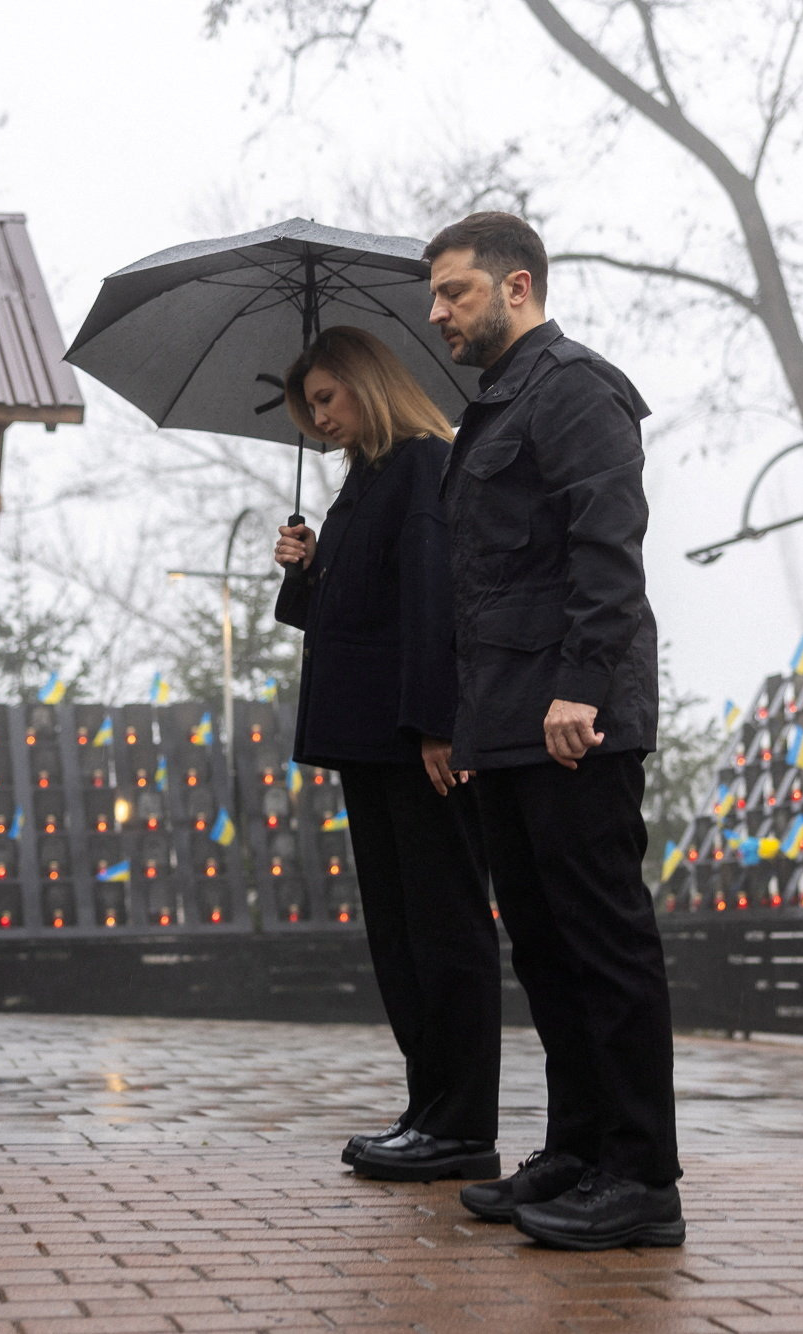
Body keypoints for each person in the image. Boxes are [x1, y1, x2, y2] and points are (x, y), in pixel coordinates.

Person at [423, 212, 684, 1249]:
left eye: (455, 293)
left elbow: (605, 543)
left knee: (601, 943)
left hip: (572, 717)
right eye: (435, 297)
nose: (437, 313)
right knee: (544, 947)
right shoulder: (491, 408)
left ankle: (640, 1176)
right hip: (506, 721)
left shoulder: (573, 387)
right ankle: (576, 1148)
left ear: (516, 286)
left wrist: (579, 686)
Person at [270, 325, 502, 1185]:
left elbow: (436, 602)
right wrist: (308, 570)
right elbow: (350, 613)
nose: (318, 419)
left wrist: (438, 724)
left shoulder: (419, 466)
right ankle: (429, 1108)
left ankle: (462, 1125)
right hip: (370, 740)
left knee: (443, 929)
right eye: (308, 408)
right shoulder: (365, 481)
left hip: (416, 742)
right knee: (400, 934)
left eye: (326, 398)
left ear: (369, 382)